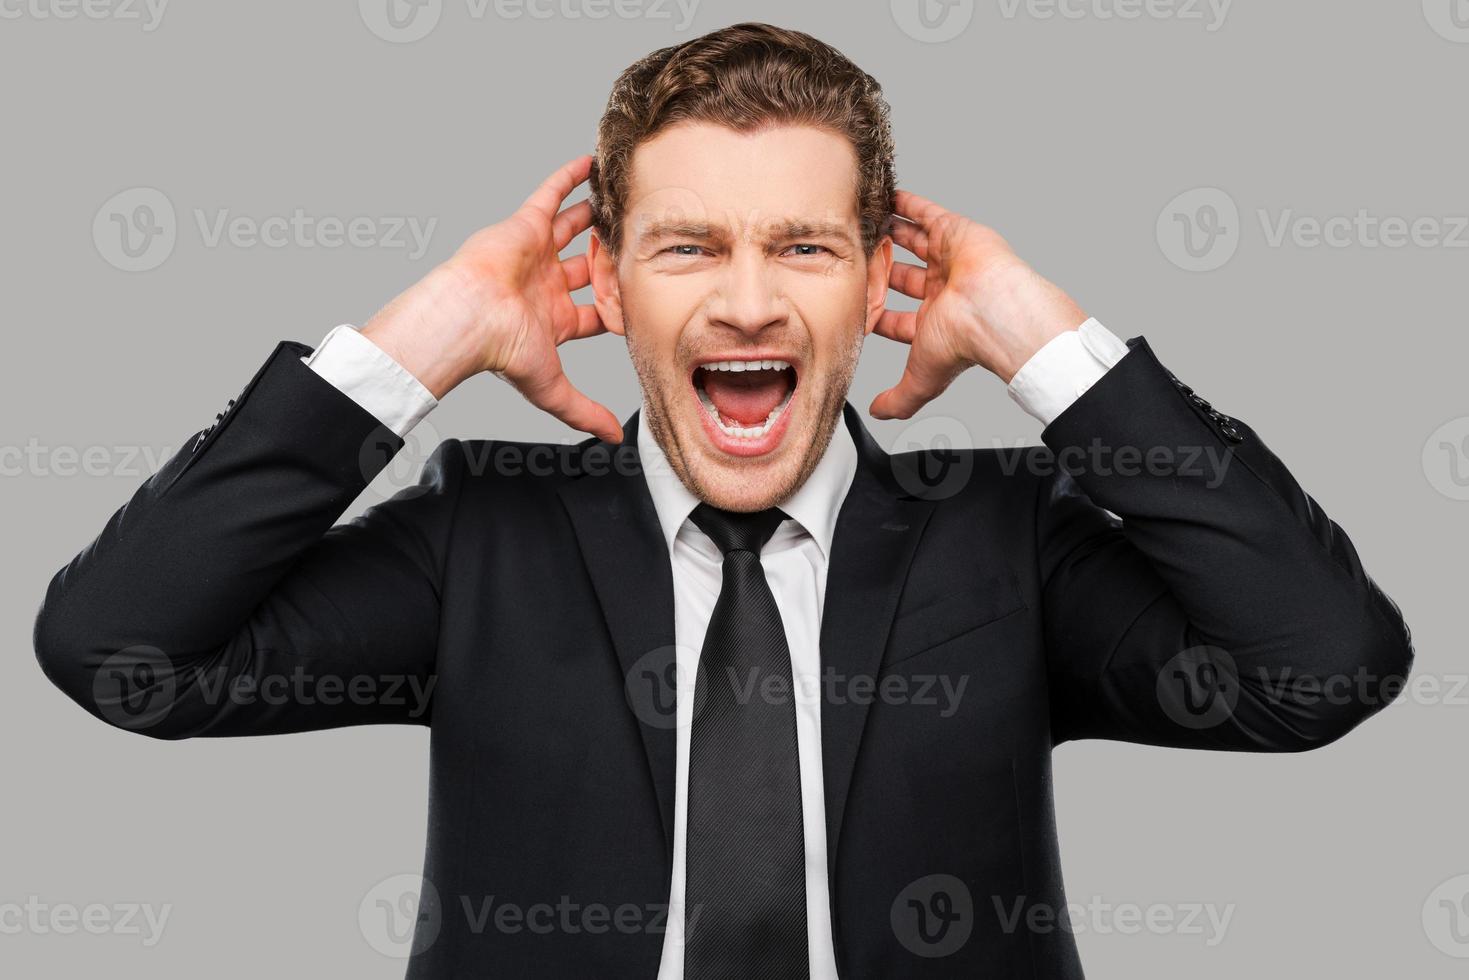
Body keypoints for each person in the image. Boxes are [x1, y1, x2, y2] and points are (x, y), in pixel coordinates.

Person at [32, 21, 1412, 979]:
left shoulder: (1001, 535)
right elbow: (124, 657)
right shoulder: (482, 537)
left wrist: (1047, 345)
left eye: (803, 247)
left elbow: (1322, 674)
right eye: (686, 246)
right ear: (611, 285)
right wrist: (420, 340)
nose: (746, 299)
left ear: (875, 286)